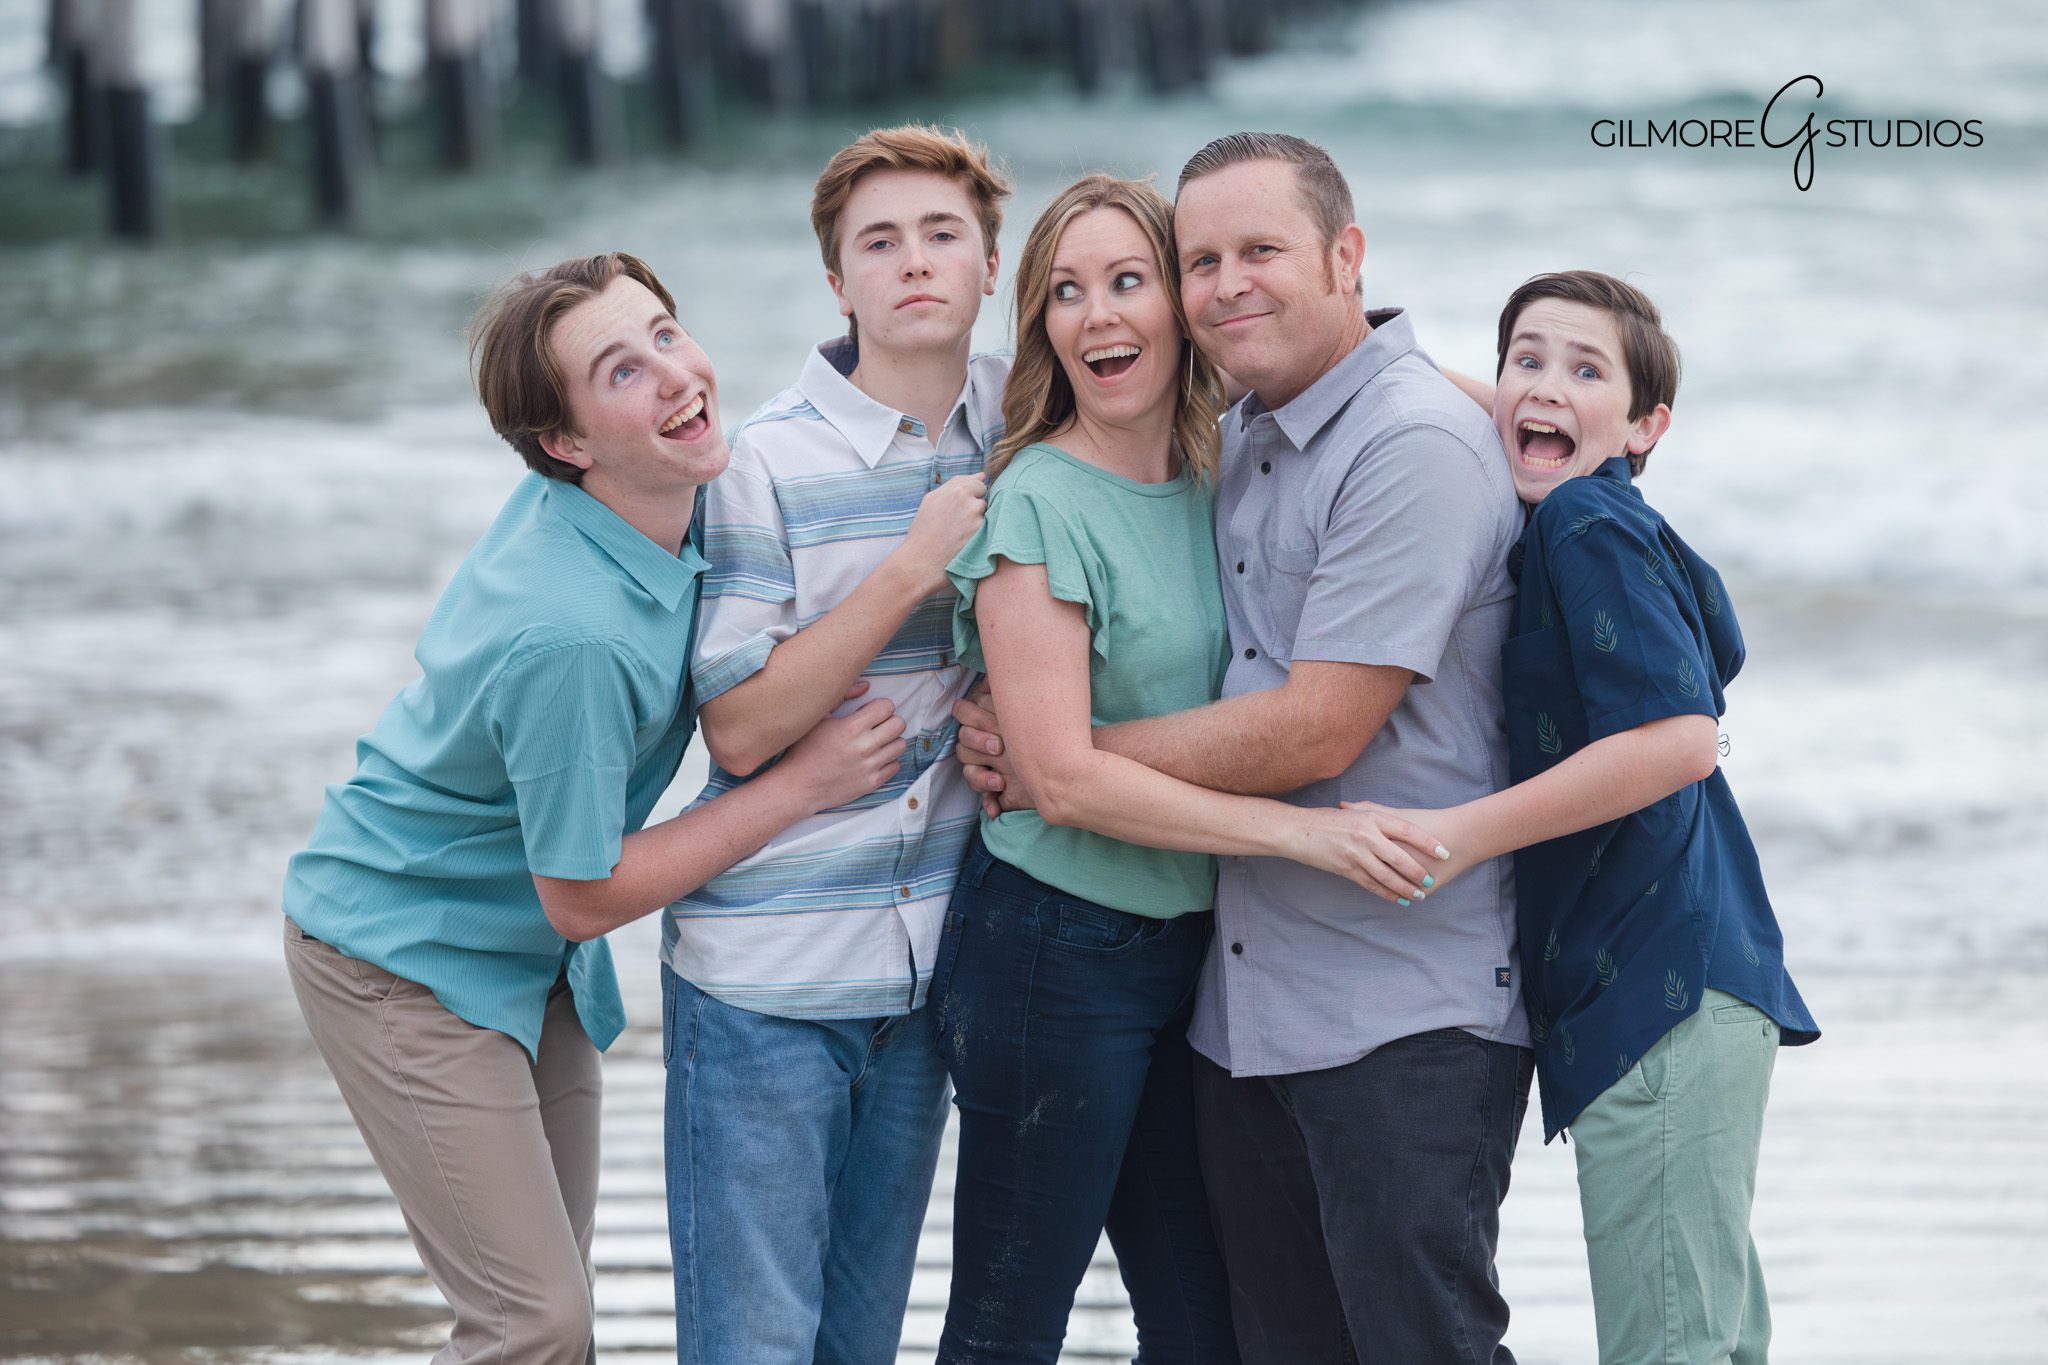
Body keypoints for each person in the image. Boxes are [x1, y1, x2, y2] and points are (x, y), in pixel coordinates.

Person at [956, 134, 1533, 1364]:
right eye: (1202, 259)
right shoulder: (1226, 443)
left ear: (1345, 257)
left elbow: (1318, 723)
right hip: (1195, 984)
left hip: (1384, 998)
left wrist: (1068, 756)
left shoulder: (1360, 441)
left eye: (1255, 251)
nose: (1225, 284)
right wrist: (1057, 762)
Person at [281, 253, 906, 1364]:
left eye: (666, 333)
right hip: (402, 960)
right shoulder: (572, 636)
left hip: (525, 959)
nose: (675, 375)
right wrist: (803, 786)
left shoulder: (674, 496)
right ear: (563, 447)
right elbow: (582, 894)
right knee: (534, 1325)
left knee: (546, 1322)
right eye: (623, 370)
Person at [1393, 270, 1820, 1363]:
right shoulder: (1611, 516)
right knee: (1712, 1337)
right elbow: (1507, 407)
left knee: (1669, 1345)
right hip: (1690, 981)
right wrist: (1386, 358)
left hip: (1656, 991)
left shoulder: (1582, 519)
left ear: (1645, 427)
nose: (1543, 387)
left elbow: (1677, 741)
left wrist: (1458, 836)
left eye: (1587, 371)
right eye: (1522, 362)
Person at [662, 125, 1010, 1365]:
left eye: (940, 236)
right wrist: (911, 565)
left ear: (986, 266)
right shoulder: (765, 462)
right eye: (879, 242)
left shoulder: (1022, 426)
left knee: (858, 1349)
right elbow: (741, 722)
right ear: (837, 281)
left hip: (918, 989)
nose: (912, 262)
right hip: (764, 980)